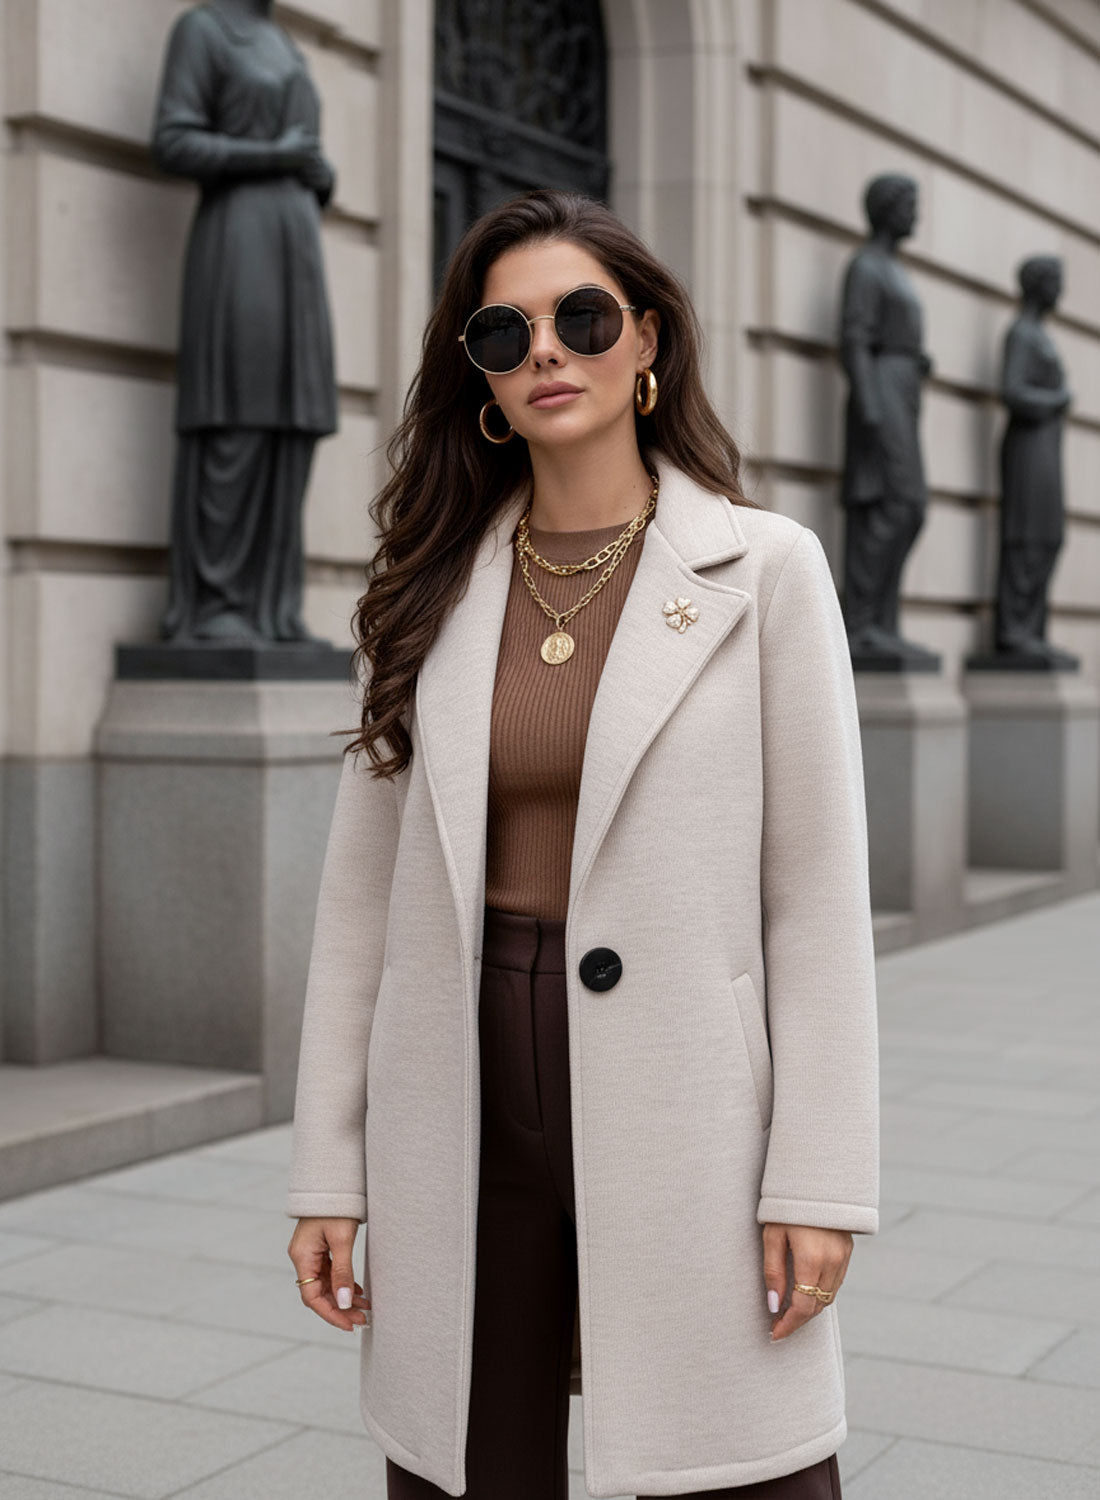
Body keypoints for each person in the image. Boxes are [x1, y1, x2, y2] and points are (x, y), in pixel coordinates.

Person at [285, 188, 879, 1499]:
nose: (545, 349)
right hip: (459, 1073)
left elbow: (818, 896)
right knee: (470, 1455)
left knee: (734, 1460)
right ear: (482, 378)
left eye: (583, 318)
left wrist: (821, 1181)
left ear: (648, 343)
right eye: (504, 333)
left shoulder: (765, 571)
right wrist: (328, 1170)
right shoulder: (430, 584)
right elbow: (360, 909)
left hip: (688, 1090)